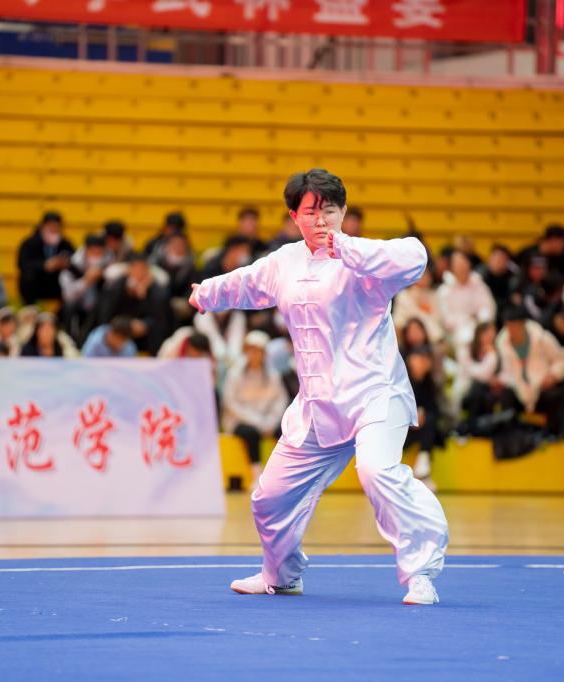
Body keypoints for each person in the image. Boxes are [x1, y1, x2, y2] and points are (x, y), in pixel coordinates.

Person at [189, 168, 448, 605]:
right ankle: (281, 574)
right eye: (310, 211)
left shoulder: (365, 259)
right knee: (269, 497)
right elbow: (245, 282)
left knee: (377, 471)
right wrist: (206, 293)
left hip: (374, 394)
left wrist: (346, 247)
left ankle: (421, 573)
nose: (321, 219)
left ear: (343, 211)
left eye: (330, 210)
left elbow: (415, 256)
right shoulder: (284, 262)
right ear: (294, 216)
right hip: (317, 404)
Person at [221, 330, 289, 487]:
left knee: (285, 432)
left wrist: (271, 420)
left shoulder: (273, 374)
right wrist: (255, 421)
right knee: (250, 434)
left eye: (258, 350)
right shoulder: (235, 373)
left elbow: (280, 400)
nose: (254, 354)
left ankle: (282, 475)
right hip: (240, 420)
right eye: (250, 350)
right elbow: (231, 402)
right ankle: (257, 476)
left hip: (267, 420)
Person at [495, 304, 564, 429]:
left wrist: (553, 375)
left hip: (542, 383)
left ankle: (552, 431)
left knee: (554, 396)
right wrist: (500, 380)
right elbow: (504, 371)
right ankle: (511, 431)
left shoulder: (542, 338)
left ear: (523, 324)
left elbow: (561, 360)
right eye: (508, 326)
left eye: (514, 326)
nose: (511, 330)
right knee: (505, 396)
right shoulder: (502, 344)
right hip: (517, 387)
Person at [98, 252, 170, 356]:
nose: (139, 273)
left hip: (145, 331)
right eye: (136, 269)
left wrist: (144, 298)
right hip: (120, 326)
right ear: (129, 269)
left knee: (157, 332)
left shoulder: (156, 291)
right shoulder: (116, 287)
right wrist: (128, 325)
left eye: (143, 269)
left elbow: (160, 318)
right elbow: (106, 315)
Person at [437, 249, 496, 351]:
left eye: (464, 263)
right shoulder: (445, 290)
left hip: (479, 329)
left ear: (469, 264)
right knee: (464, 339)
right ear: (452, 267)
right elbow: (446, 317)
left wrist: (480, 323)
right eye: (458, 265)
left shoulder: (479, 285)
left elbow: (487, 307)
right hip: (455, 334)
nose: (461, 268)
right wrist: (467, 319)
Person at [404, 344, 444, 491]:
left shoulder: (429, 381)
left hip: (421, 428)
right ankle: (423, 472)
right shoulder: (401, 379)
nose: (423, 363)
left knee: (431, 420)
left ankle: (423, 468)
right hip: (402, 427)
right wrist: (411, 416)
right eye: (419, 358)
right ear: (410, 360)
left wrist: (422, 414)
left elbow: (434, 408)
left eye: (426, 359)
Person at [17, 211, 73, 304]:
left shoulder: (66, 244)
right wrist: (44, 265)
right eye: (50, 226)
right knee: (28, 277)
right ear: (42, 227)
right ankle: (29, 306)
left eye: (56, 227)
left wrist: (64, 264)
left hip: (57, 283)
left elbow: (74, 262)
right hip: (37, 283)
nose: (53, 229)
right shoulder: (29, 243)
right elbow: (22, 264)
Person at [61, 234, 109, 342]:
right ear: (86, 250)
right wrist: (86, 281)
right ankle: (72, 340)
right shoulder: (71, 265)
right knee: (69, 307)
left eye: (99, 253)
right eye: (93, 252)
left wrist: (103, 275)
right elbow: (68, 295)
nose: (96, 256)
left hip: (98, 307)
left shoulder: (108, 261)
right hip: (79, 307)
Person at [476, 244, 515, 311]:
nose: (497, 261)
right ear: (490, 258)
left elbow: (515, 299)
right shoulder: (479, 275)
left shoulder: (512, 277)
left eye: (501, 259)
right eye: (495, 258)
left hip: (504, 310)